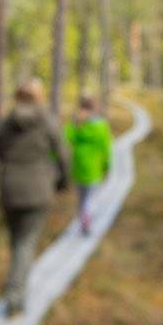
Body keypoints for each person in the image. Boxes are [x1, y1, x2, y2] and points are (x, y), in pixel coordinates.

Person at [0, 80, 69, 317]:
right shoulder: (47, 121)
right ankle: (15, 298)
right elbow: (63, 154)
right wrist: (63, 182)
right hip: (39, 190)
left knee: (17, 242)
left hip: (10, 190)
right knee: (25, 244)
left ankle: (14, 283)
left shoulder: (5, 124)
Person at [65, 96, 113, 236]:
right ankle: (86, 221)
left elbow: (67, 137)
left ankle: (83, 219)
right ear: (94, 108)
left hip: (78, 165)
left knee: (81, 197)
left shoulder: (77, 123)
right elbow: (106, 148)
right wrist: (107, 166)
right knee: (90, 197)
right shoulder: (101, 125)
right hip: (94, 167)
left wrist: (72, 123)